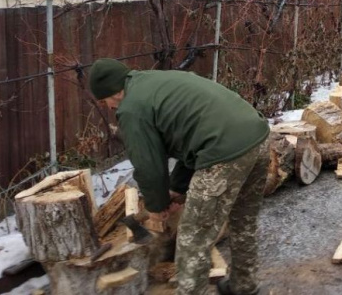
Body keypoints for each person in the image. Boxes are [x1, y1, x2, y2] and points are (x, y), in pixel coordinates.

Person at [89, 58, 270, 295]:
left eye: (105, 101)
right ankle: (245, 286)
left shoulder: (131, 108)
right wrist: (176, 189)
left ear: (114, 92)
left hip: (223, 154)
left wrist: (156, 206)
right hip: (258, 137)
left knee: (194, 237)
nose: (109, 108)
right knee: (243, 221)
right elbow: (191, 139)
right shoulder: (157, 81)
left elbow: (148, 165)